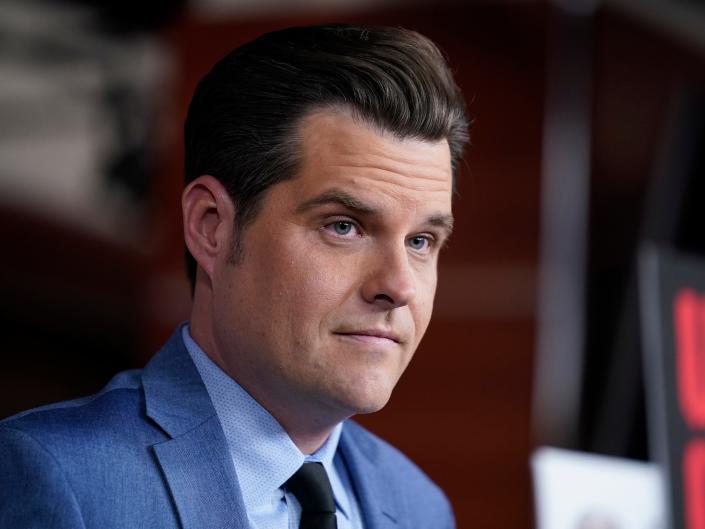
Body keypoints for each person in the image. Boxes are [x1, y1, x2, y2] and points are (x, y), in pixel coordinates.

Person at [0, 24, 469, 529]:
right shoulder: (55, 476)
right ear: (211, 227)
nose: (398, 287)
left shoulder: (421, 506)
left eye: (421, 241)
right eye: (344, 226)